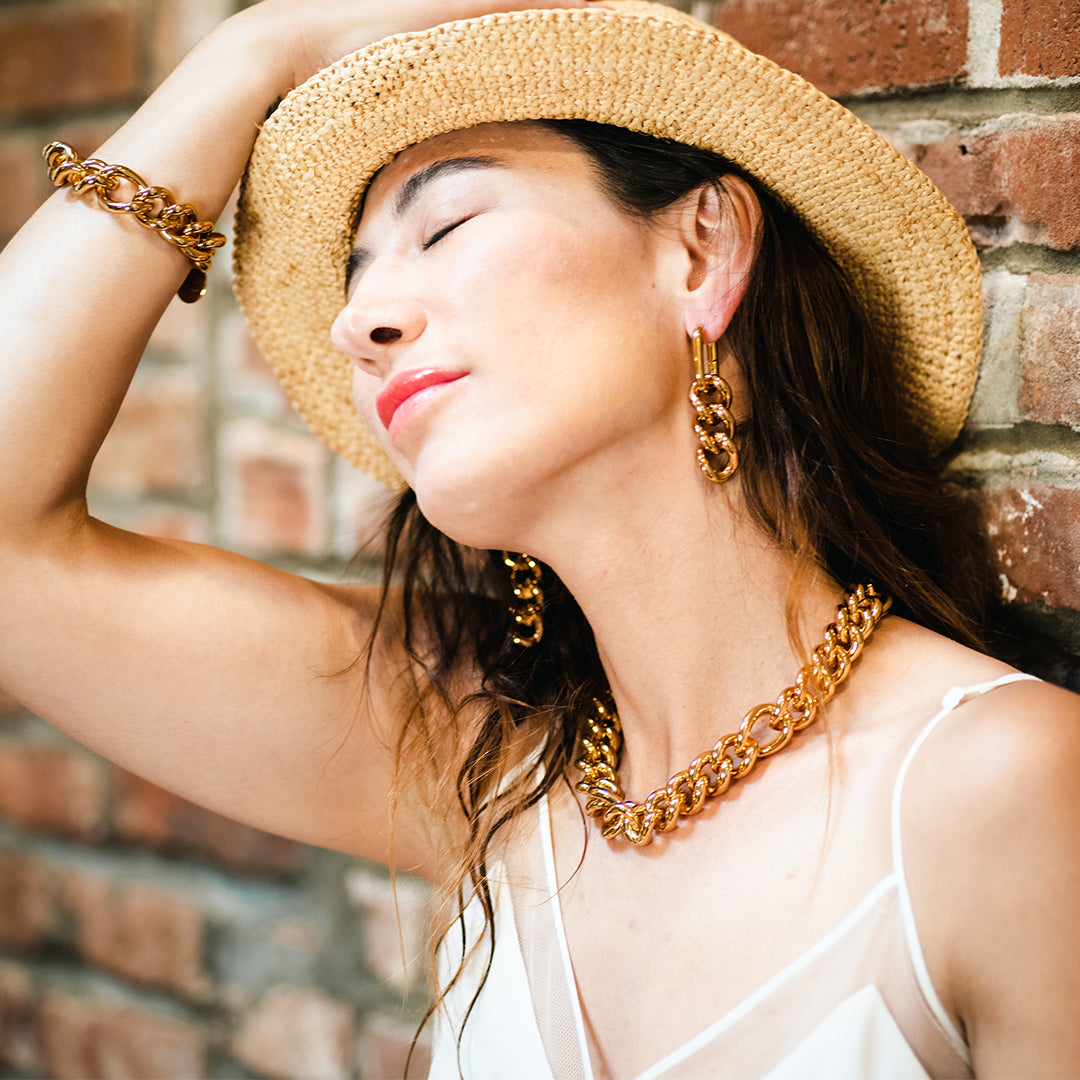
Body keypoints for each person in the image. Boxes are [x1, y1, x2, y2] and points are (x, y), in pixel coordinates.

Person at [1, 1, 1079, 1077]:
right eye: (357, 277)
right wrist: (257, 48)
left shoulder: (1000, 787)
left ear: (702, 252)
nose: (357, 322)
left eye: (447, 226)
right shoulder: (483, 760)